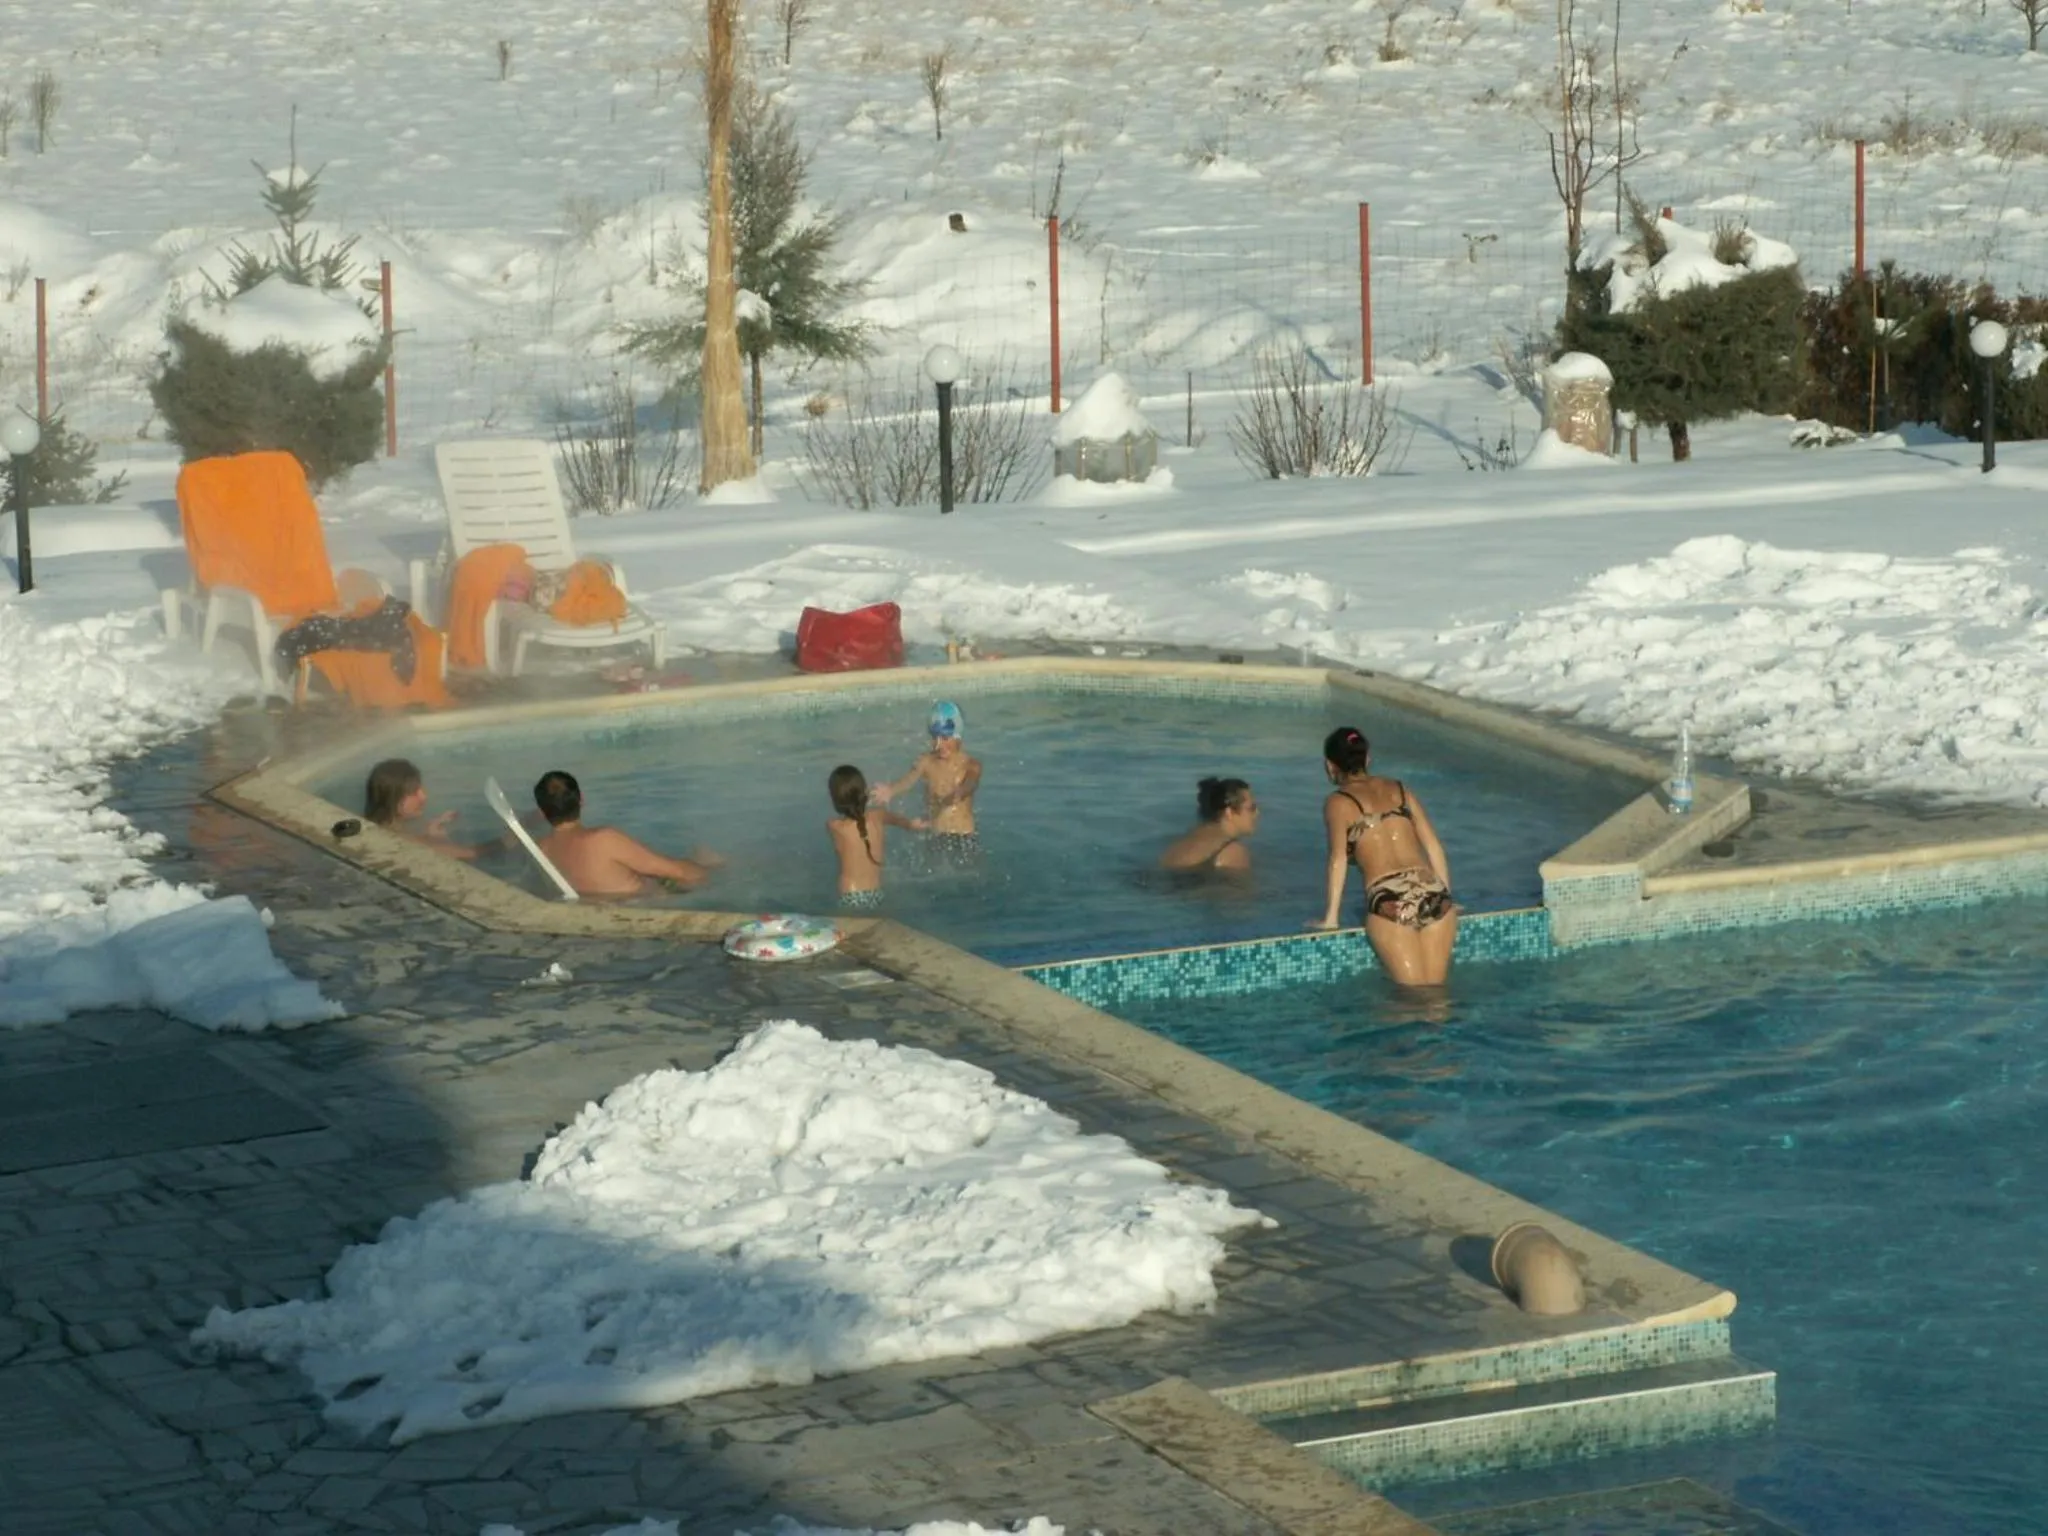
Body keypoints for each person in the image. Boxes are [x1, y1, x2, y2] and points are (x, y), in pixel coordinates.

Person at [1310, 726, 1458, 987]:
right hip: (1433, 893)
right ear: (1367, 759)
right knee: (1436, 996)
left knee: (1411, 999)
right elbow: (1434, 846)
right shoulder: (1400, 789)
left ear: (1330, 766)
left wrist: (1331, 919)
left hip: (1391, 898)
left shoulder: (1339, 802)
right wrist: (1447, 895)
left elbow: (1338, 860)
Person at [531, 769, 721, 900]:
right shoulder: (602, 840)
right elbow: (679, 872)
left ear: (542, 811)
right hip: (649, 903)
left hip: (606, 907)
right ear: (582, 800)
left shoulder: (541, 850)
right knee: (704, 858)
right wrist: (713, 873)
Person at [874, 700, 983, 865]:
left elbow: (972, 782)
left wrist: (960, 792)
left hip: (963, 836)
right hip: (937, 835)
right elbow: (909, 780)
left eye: (945, 738)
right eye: (935, 738)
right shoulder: (926, 762)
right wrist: (891, 790)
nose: (939, 744)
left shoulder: (970, 764)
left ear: (958, 737)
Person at [826, 765, 926, 909]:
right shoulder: (879, 816)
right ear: (864, 793)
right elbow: (906, 823)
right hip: (876, 894)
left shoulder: (834, 826)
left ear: (835, 798)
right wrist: (914, 824)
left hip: (850, 895)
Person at [363, 758, 484, 861]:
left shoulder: (377, 827)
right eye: (413, 792)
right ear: (391, 798)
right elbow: (471, 854)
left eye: (420, 788)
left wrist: (433, 829)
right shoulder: (407, 843)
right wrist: (440, 838)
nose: (423, 796)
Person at [1158, 777, 1260, 873]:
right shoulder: (1233, 852)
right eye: (1252, 808)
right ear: (1229, 813)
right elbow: (1243, 891)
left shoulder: (1179, 844)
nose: (1257, 813)